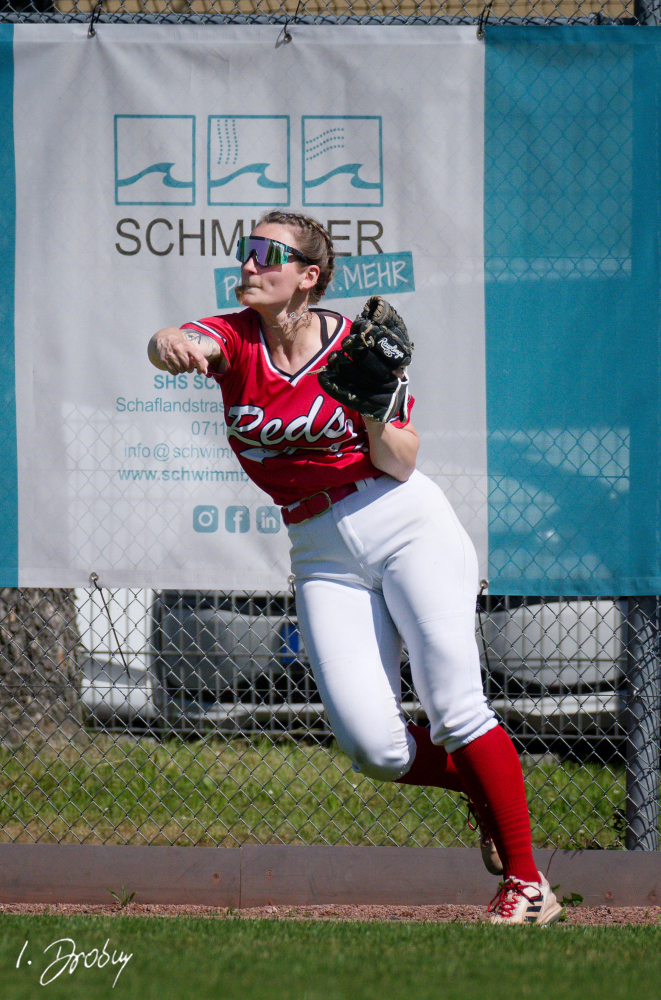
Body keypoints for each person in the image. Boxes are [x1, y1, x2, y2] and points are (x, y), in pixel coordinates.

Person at [148, 211, 562, 925]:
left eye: (268, 254)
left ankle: (527, 887)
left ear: (309, 275)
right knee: (374, 748)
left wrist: (373, 409)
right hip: (317, 548)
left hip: (402, 522)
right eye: (246, 251)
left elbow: (401, 460)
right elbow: (174, 343)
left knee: (456, 708)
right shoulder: (236, 337)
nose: (249, 264)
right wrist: (169, 343)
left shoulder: (355, 346)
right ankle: (481, 791)